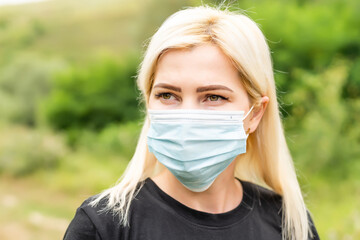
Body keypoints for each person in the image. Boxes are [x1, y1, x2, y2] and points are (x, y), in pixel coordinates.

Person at [63, 5, 320, 240]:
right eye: (167, 95)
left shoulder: (289, 225)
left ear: (254, 114)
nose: (186, 116)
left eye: (213, 97)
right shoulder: (103, 226)